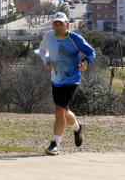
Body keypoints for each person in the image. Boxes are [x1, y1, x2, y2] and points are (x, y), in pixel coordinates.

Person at [38, 11, 96, 156]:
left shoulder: (75, 38)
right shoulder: (48, 36)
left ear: (67, 25)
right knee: (64, 111)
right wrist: (45, 61)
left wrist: (85, 63)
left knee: (58, 111)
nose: (58, 27)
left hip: (72, 79)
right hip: (56, 79)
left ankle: (54, 144)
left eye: (61, 24)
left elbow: (91, 52)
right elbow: (42, 49)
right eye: (55, 24)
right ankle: (77, 128)